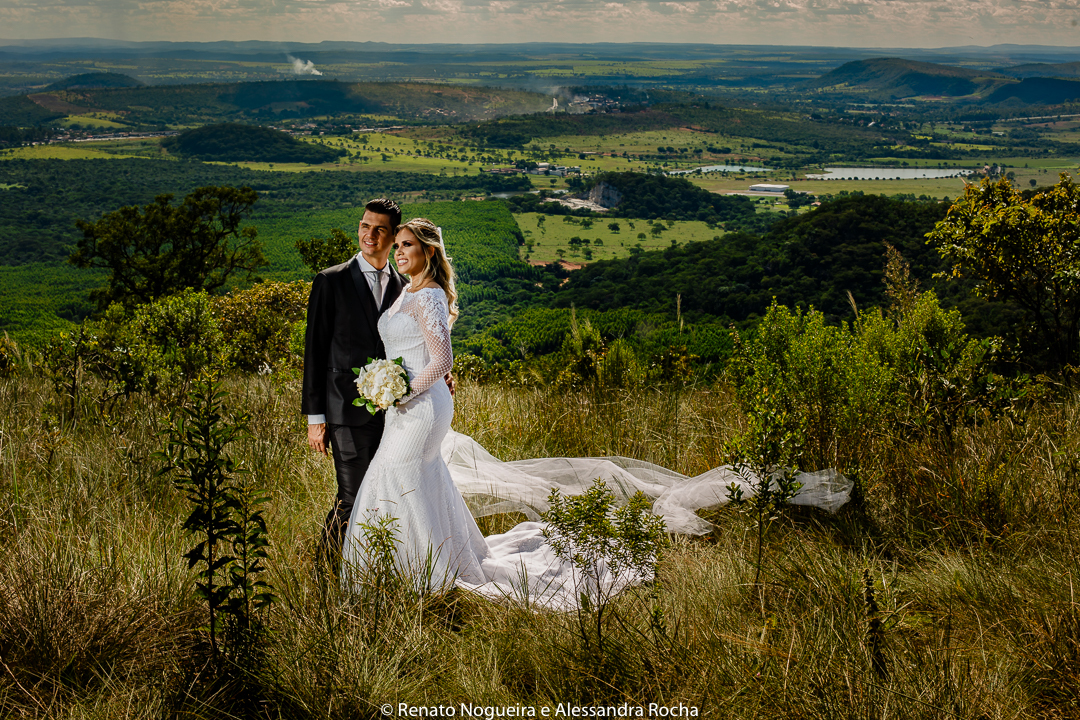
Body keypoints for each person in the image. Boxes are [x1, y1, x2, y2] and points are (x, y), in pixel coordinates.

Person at [339, 218, 857, 610]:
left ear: (427, 251)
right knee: (416, 478)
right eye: (397, 244)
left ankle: (419, 573)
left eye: (407, 244)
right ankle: (416, 566)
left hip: (420, 408)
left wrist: (402, 392)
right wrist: (384, 383)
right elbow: (410, 355)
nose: (398, 251)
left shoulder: (427, 296)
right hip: (407, 406)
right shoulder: (408, 292)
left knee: (399, 474)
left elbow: (442, 361)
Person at [301, 198, 407, 564]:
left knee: (383, 493)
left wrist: (443, 374)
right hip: (343, 410)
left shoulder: (404, 286)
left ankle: (371, 567)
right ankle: (325, 568)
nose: (370, 235)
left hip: (394, 413)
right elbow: (314, 351)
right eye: (365, 226)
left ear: (394, 237)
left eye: (380, 229)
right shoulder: (330, 281)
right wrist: (316, 421)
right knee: (353, 495)